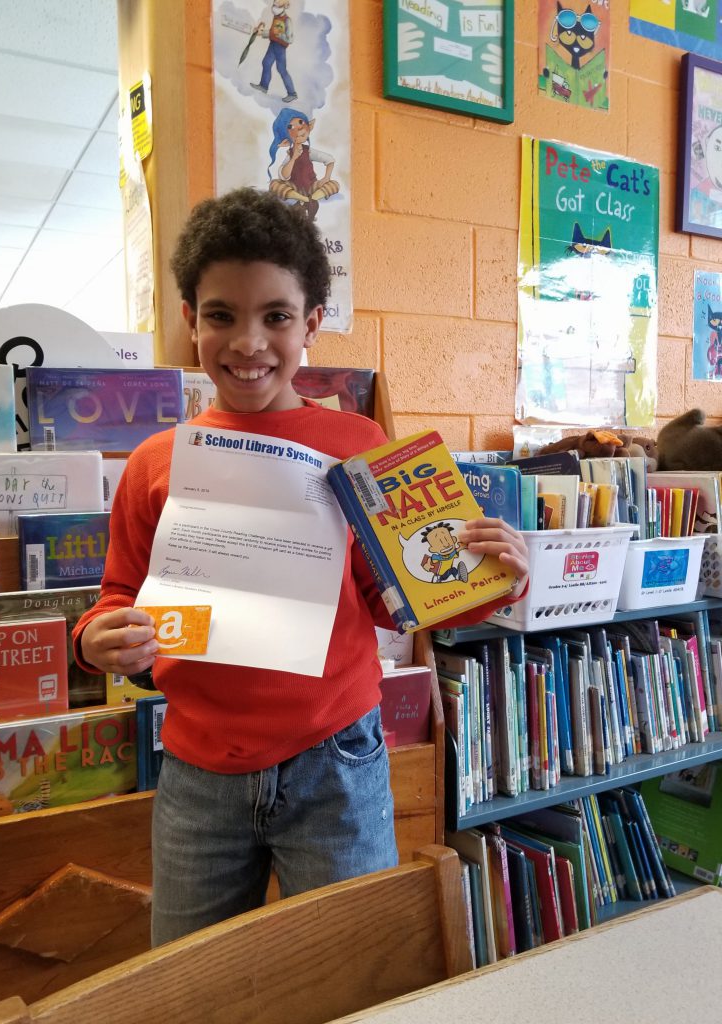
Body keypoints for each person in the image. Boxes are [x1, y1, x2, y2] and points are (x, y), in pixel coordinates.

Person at [72, 187, 530, 947]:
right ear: (190, 319)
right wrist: (96, 639)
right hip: (197, 771)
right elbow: (119, 594)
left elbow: (395, 602)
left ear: (311, 322)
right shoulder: (157, 463)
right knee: (193, 983)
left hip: (335, 762)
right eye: (221, 315)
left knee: (352, 969)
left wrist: (493, 580)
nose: (248, 342)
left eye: (275, 316)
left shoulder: (357, 445)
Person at [250, 0, 297, 103]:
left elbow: (290, 39)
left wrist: (279, 34)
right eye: (274, 5)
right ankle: (264, 86)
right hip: (273, 44)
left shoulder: (287, 20)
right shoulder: (276, 17)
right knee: (266, 63)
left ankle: (292, 93)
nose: (274, 8)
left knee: (281, 69)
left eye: (277, 6)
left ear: (284, 6)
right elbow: (272, 33)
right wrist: (260, 33)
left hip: (280, 47)